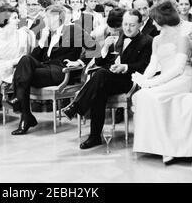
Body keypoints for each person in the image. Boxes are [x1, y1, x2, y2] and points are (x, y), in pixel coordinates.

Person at [131, 0, 192, 163]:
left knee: (155, 96)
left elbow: (179, 68)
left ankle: (170, 148)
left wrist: (153, 83)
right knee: (142, 96)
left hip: (183, 78)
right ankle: (158, 145)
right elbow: (153, 65)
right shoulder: (156, 39)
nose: (153, 23)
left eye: (154, 19)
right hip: (166, 77)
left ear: (162, 19)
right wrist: (143, 79)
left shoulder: (183, 37)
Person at [61, 10, 153, 149]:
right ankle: (95, 137)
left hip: (130, 81)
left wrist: (125, 67)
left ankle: (76, 106)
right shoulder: (118, 37)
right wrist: (104, 47)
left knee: (101, 75)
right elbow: (98, 61)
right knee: (99, 89)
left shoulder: (147, 41)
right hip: (110, 78)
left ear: (140, 24)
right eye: (125, 24)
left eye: (132, 25)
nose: (128, 28)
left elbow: (144, 66)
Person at [8, 5, 96, 135]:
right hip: (45, 68)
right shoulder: (47, 33)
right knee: (25, 60)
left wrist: (79, 62)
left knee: (23, 76)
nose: (45, 20)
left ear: (56, 17)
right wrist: (42, 42)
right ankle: (26, 115)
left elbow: (93, 46)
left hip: (60, 71)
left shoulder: (73, 29)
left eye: (47, 17)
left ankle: (23, 110)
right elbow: (32, 59)